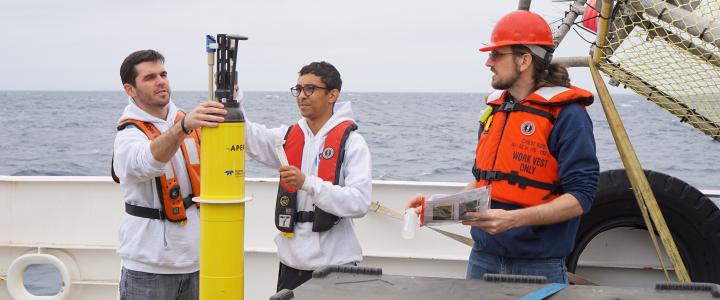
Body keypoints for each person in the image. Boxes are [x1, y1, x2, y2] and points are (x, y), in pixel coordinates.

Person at [407, 10, 599, 283]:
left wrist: (513, 220)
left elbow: (582, 197)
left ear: (524, 60)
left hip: (539, 268)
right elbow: (482, 185)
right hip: (482, 259)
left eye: (497, 54)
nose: (488, 62)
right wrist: (434, 210)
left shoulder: (568, 115)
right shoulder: (494, 111)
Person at [243, 61, 372, 291]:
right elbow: (249, 137)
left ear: (333, 95)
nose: (302, 95)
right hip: (291, 266)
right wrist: (234, 99)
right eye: (298, 89)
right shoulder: (287, 136)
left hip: (336, 267)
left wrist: (308, 183)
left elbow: (359, 202)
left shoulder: (352, 143)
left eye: (310, 89)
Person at [112, 49, 226, 300]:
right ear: (130, 89)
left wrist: (228, 92)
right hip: (148, 267)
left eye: (163, 74)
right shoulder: (128, 135)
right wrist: (182, 128)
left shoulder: (186, 121)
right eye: (150, 77)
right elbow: (145, 163)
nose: (160, 81)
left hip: (197, 261)